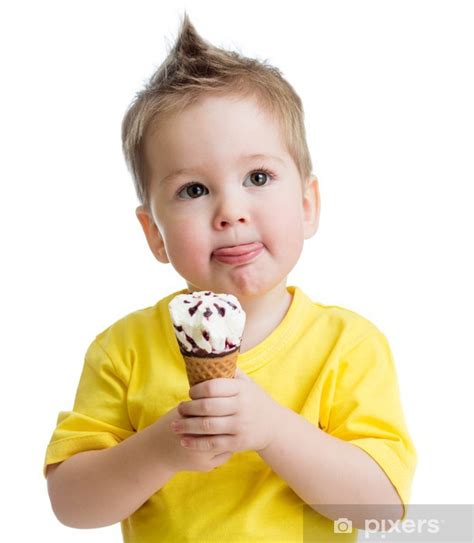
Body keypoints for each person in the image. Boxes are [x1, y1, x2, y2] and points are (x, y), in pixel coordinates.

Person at [43, 12, 417, 542]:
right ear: (154, 234)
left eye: (258, 177)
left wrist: (273, 430)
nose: (231, 210)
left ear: (308, 205)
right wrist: (163, 446)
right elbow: (71, 504)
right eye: (193, 190)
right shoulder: (123, 349)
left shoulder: (348, 346)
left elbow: (380, 509)